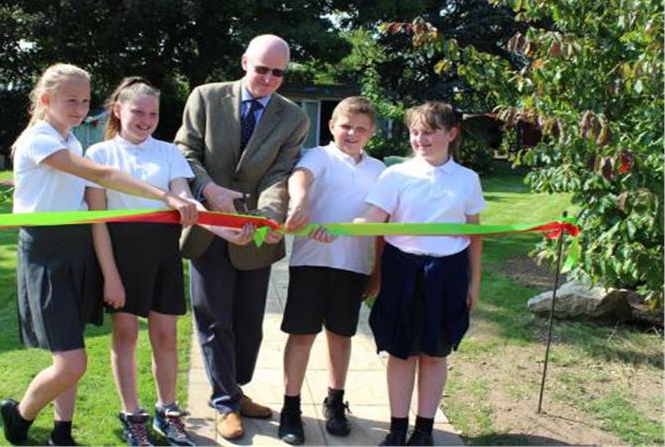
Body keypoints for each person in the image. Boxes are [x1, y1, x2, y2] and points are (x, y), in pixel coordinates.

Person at [0, 64, 197, 447]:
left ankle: (62, 432)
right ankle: (20, 414)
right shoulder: (40, 140)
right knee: (71, 362)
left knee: (70, 353)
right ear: (46, 100)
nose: (80, 108)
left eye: (85, 101)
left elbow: (90, 207)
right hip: (47, 252)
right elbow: (103, 177)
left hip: (78, 251)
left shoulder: (71, 140)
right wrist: (163, 196)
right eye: (71, 101)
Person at [85, 77, 254, 446]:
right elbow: (97, 221)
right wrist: (110, 275)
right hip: (121, 257)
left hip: (163, 254)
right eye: (138, 112)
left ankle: (168, 411)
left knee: (166, 337)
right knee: (126, 336)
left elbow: (186, 203)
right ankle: (132, 416)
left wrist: (225, 231)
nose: (146, 120)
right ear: (118, 110)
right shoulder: (98, 155)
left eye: (153, 114)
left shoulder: (169, 153)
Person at [174, 34, 309, 440]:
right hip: (208, 226)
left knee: (249, 325)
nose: (268, 79)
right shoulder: (205, 97)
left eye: (278, 73)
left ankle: (235, 388)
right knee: (216, 320)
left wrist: (265, 220)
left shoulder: (294, 117)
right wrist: (209, 190)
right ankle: (226, 404)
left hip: (255, 234)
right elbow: (185, 151)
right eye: (262, 69)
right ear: (244, 61)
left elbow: (279, 175)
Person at [355, 101, 485, 446]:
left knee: (434, 353)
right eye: (415, 132)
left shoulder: (467, 179)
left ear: (451, 134)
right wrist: (339, 227)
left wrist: (474, 283)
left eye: (429, 132)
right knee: (401, 352)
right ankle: (397, 429)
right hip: (402, 269)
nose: (420, 139)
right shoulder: (395, 175)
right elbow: (372, 218)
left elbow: (475, 235)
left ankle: (424, 431)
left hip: (448, 272)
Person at [277, 97, 386, 444]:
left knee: (341, 336)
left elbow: (380, 218)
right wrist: (300, 201)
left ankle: (335, 402)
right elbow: (300, 177)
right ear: (331, 126)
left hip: (353, 265)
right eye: (346, 126)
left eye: (361, 129)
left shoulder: (379, 169)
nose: (352, 133)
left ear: (371, 133)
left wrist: (376, 272)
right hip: (311, 262)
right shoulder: (318, 156)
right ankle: (291, 408)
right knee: (302, 335)